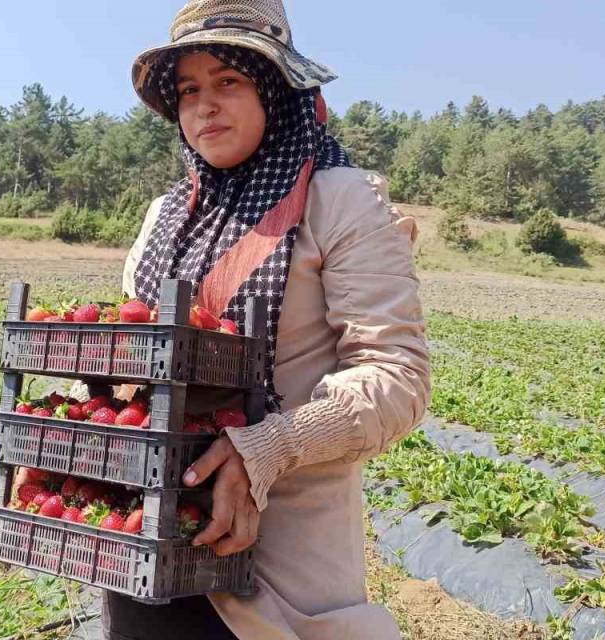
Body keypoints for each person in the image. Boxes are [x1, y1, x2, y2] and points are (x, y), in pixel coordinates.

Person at [103, 1, 432, 639]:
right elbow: (133, 358)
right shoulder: (164, 216)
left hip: (276, 560)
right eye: (189, 90)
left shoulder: (340, 202)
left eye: (229, 81)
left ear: (278, 92)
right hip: (146, 538)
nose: (205, 106)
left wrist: (269, 447)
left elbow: (396, 377)